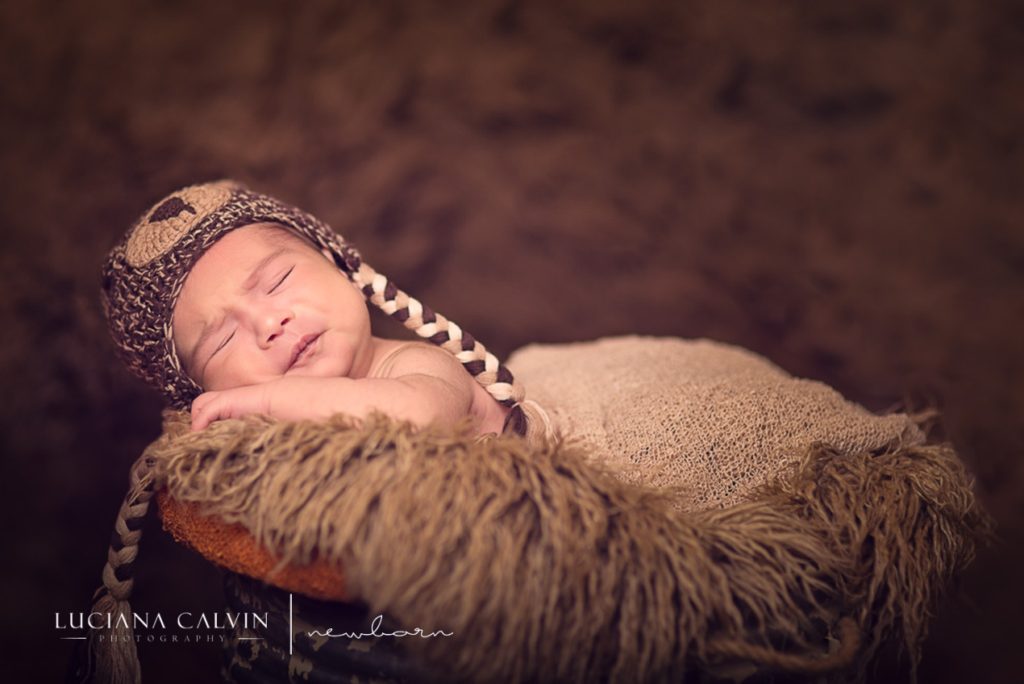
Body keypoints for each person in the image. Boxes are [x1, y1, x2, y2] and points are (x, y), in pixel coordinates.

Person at [101, 180, 540, 439]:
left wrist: (270, 399)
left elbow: (418, 417)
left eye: (277, 282)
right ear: (200, 392)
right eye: (223, 339)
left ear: (337, 263)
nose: (269, 323)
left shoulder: (412, 364)